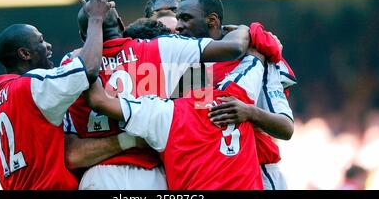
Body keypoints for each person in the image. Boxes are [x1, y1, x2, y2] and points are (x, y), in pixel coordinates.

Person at [62, 1, 282, 189]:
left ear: (86, 34)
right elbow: (232, 50)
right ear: (121, 25)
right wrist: (246, 29)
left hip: (100, 176)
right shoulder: (165, 48)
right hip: (157, 175)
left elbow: (74, 151)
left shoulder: (72, 63)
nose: (178, 28)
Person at [0, 0, 113, 190]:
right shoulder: (31, 86)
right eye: (41, 41)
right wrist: (96, 18)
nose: (49, 46)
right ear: (25, 53)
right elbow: (89, 68)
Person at [85, 52, 268, 189]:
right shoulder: (236, 95)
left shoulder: (164, 114)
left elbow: (99, 101)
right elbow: (257, 53)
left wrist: (86, 56)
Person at [175, 0, 296, 190]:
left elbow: (286, 128)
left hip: (259, 172)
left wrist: (250, 112)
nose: (179, 25)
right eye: (178, 18)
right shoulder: (188, 65)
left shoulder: (256, 56)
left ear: (212, 21)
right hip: (209, 173)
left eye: (186, 18)